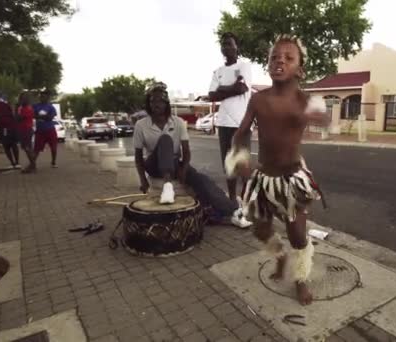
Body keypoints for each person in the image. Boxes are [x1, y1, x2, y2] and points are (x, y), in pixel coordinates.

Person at [228, 35, 329, 305]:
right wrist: (239, 159)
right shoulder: (258, 99)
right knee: (260, 229)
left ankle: (300, 278)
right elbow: (240, 134)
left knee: (297, 236)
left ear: (300, 69)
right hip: (264, 180)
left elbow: (326, 118)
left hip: (293, 180)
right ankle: (279, 255)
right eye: (274, 57)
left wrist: (320, 116)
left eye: (288, 57)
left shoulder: (305, 100)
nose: (279, 61)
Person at [133, 82, 251, 228]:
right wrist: (143, 180)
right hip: (153, 163)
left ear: (166, 103)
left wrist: (184, 168)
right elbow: (138, 157)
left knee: (202, 180)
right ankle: (168, 186)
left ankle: (234, 213)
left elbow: (186, 151)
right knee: (165, 139)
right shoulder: (141, 125)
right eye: (152, 101)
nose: (155, 104)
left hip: (174, 162)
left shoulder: (178, 122)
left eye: (159, 101)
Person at [208, 32, 253, 204]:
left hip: (241, 123)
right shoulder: (217, 71)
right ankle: (233, 201)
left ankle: (246, 201)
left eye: (229, 44)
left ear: (236, 47)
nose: (226, 47)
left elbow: (242, 89)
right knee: (229, 165)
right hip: (223, 124)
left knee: (242, 165)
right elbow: (211, 95)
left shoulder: (244, 67)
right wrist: (231, 87)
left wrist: (222, 90)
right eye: (224, 44)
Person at [33, 90, 58, 168]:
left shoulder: (51, 107)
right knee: (36, 148)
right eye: (41, 96)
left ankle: (53, 162)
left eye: (44, 96)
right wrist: (44, 116)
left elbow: (50, 118)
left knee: (53, 147)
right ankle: (32, 164)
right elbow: (33, 115)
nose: (42, 98)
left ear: (48, 98)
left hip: (50, 129)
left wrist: (39, 116)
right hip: (40, 130)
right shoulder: (35, 106)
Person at [16, 92, 37, 173]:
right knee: (27, 148)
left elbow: (18, 118)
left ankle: (32, 166)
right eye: (21, 98)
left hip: (27, 130)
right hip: (22, 129)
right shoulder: (21, 108)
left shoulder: (28, 109)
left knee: (27, 148)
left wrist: (16, 109)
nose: (22, 100)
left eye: (24, 98)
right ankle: (32, 165)